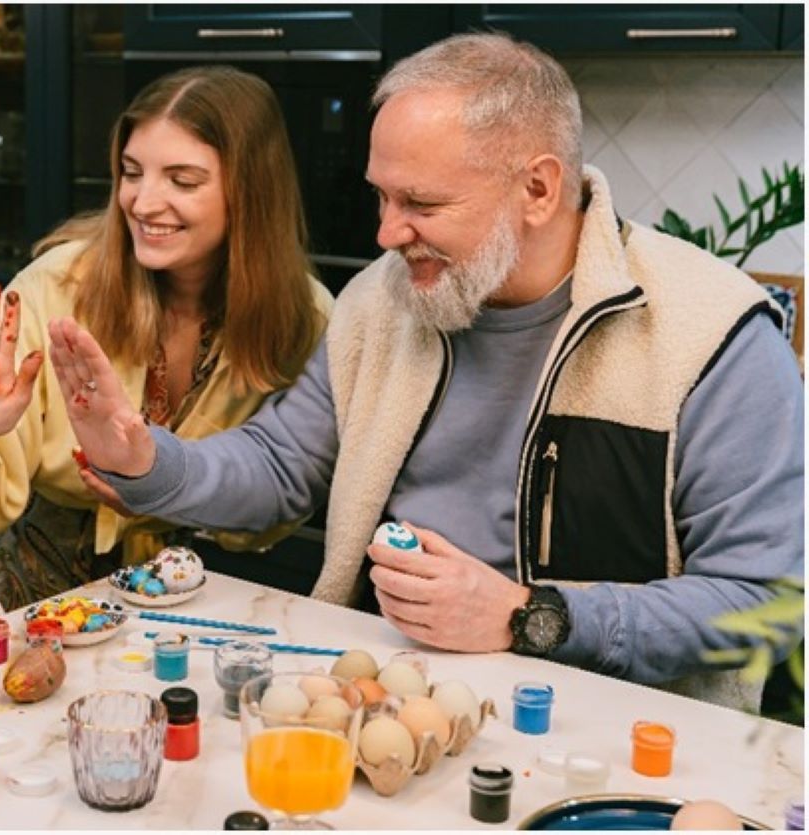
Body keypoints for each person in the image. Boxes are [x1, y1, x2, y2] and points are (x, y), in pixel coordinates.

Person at [48, 33, 804, 711]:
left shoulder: (711, 335)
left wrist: (526, 613)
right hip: (384, 688)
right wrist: (145, 457)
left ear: (537, 189)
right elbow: (281, 464)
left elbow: (763, 598)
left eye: (421, 202)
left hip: (616, 724)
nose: (386, 232)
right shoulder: (382, 303)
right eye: (382, 195)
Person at [0, 65, 333, 608]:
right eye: (131, 172)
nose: (142, 202)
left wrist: (163, 494)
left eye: (182, 181)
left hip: (165, 586)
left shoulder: (306, 318)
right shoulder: (58, 285)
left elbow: (269, 514)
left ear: (252, 191)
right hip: (8, 579)